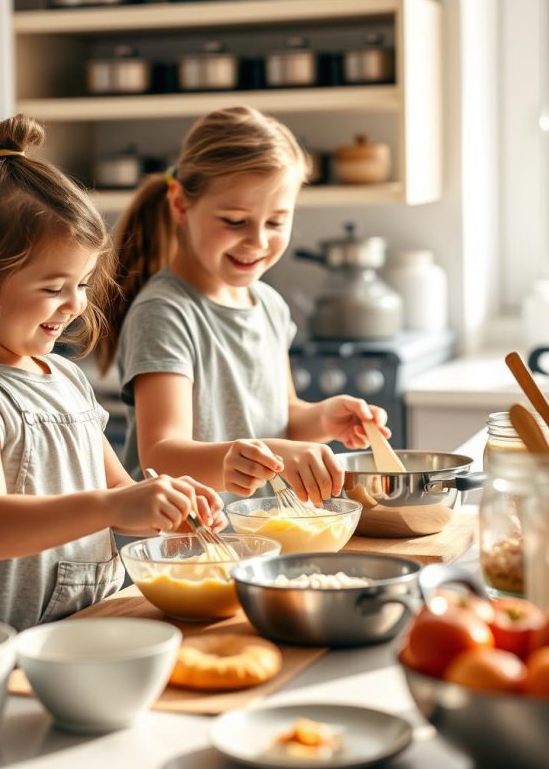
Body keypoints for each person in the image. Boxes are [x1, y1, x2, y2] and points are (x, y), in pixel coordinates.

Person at [0, 115, 225, 632]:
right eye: (52, 287)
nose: (75, 305)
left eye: (82, 283)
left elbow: (123, 492)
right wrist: (114, 504)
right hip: (7, 649)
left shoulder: (64, 376)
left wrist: (170, 505)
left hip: (92, 622)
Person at [99, 105, 390, 505]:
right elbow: (161, 454)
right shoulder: (165, 314)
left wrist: (323, 418)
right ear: (180, 204)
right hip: (188, 548)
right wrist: (271, 454)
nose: (257, 241)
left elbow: (283, 414)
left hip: (257, 542)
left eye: (275, 222)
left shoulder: (269, 304)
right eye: (235, 221)